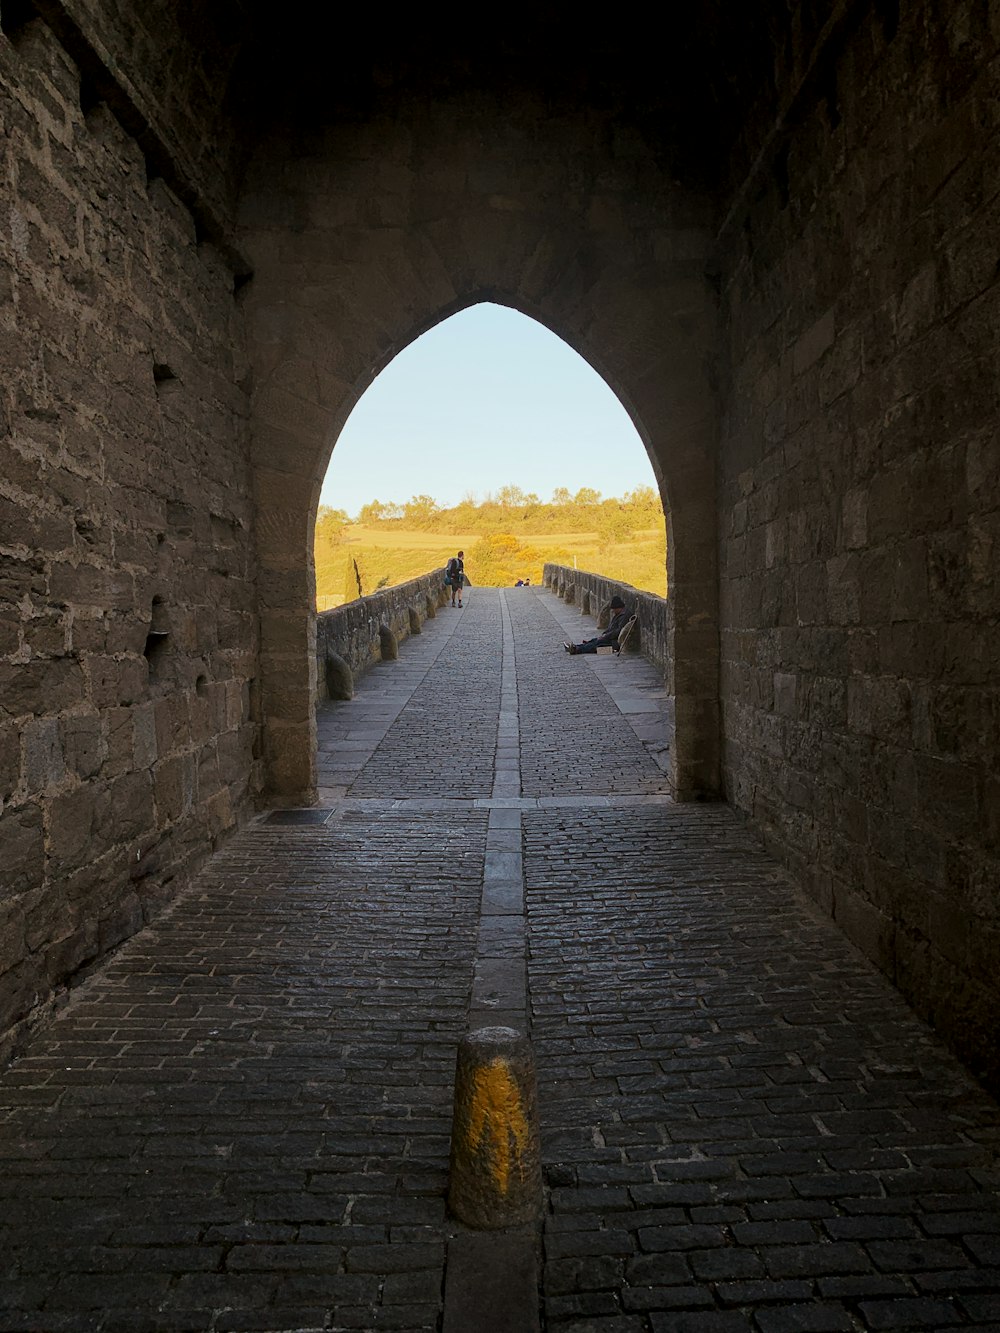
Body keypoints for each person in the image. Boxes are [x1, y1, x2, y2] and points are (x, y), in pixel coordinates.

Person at [564, 595, 632, 654]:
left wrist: (606, 636)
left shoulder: (624, 616)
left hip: (614, 642)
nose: (613, 611)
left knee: (597, 644)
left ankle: (576, 649)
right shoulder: (619, 614)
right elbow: (612, 627)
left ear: (618, 607)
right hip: (610, 637)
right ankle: (576, 647)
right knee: (594, 640)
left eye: (614, 609)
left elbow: (618, 631)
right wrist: (605, 634)